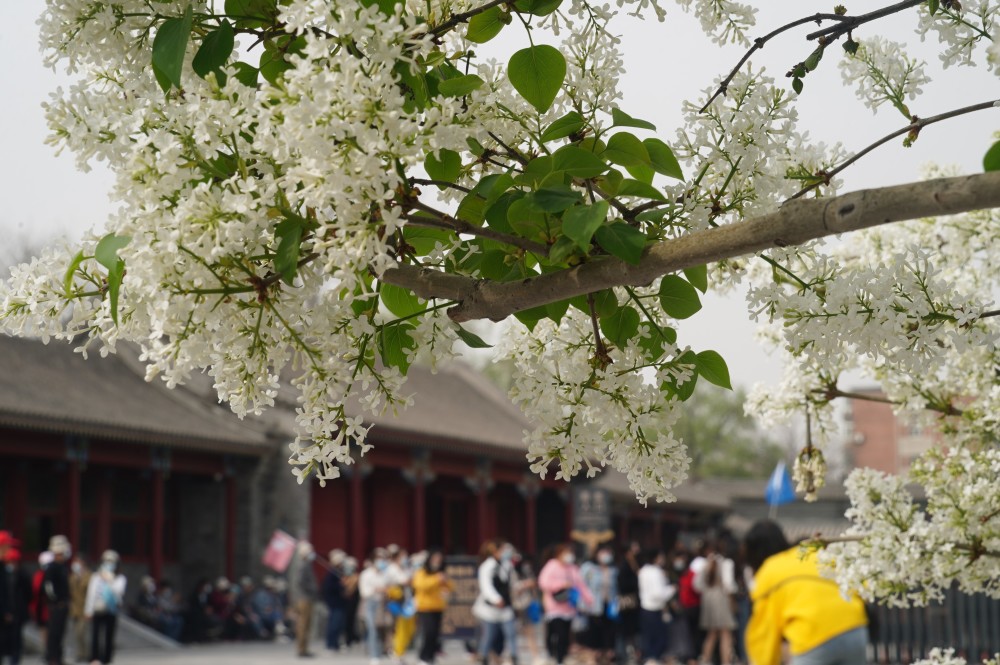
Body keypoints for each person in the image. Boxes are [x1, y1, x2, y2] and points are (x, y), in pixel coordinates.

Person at [743, 520, 868, 665]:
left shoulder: (769, 571)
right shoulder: (812, 554)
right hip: (854, 628)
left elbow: (763, 634)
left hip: (813, 638)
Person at [538, 543, 593, 665]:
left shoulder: (573, 568)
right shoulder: (552, 565)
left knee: (565, 635)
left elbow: (581, 585)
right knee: (556, 633)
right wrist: (561, 585)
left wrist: (589, 599)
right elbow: (543, 582)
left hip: (569, 607)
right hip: (554, 607)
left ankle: (561, 658)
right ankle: (553, 654)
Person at [473, 540, 522, 665]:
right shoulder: (487, 566)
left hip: (506, 606)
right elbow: (486, 586)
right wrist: (496, 599)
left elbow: (512, 582)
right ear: (495, 551)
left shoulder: (507, 564)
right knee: (490, 635)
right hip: (490, 607)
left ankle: (514, 656)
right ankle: (483, 657)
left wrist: (519, 588)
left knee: (511, 633)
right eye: (503, 550)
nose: (506, 552)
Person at [693, 544, 736, 665]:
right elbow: (729, 585)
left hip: (708, 599)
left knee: (712, 633)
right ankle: (726, 662)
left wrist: (707, 591)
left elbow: (696, 585)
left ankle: (705, 660)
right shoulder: (726, 563)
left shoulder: (705, 563)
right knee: (725, 633)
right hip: (721, 598)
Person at [84, 549, 126, 665]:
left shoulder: (120, 578)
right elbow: (91, 594)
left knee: (109, 635)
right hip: (98, 608)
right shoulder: (96, 576)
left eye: (111, 561)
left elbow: (119, 591)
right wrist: (88, 610)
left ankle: (106, 658)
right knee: (96, 634)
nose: (109, 564)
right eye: (107, 561)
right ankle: (94, 657)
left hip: (111, 610)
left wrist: (110, 580)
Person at [412, 550, 453, 665]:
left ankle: (431, 656)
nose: (437, 561)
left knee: (435, 634)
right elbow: (420, 585)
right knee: (428, 633)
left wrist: (445, 582)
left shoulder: (442, 572)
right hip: (425, 607)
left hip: (438, 607)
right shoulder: (422, 572)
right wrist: (436, 579)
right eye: (435, 558)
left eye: (439, 559)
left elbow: (450, 587)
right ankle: (423, 656)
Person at [580, 546, 618, 665]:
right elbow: (581, 585)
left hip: (610, 605)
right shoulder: (589, 568)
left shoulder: (614, 570)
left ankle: (607, 655)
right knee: (593, 631)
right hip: (593, 605)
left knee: (609, 631)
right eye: (603, 552)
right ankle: (593, 656)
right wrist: (583, 603)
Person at [637, 550, 674, 665]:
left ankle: (650, 658)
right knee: (660, 637)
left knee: (649, 637)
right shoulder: (656, 572)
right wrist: (672, 589)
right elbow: (659, 594)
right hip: (656, 608)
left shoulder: (643, 570)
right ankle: (654, 658)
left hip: (645, 607)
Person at [43, 535, 72, 665]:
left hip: (64, 604)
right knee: (53, 633)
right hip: (56, 606)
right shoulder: (52, 567)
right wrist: (55, 601)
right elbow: (48, 587)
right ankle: (52, 658)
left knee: (60, 632)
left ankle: (59, 657)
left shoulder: (63, 567)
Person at [2, 539, 31, 665]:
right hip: (6, 612)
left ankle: (15, 660)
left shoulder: (23, 575)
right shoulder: (4, 574)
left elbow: (28, 593)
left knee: (16, 638)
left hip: (18, 611)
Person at [359, 550, 389, 665]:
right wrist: (376, 589)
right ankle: (374, 655)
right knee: (372, 629)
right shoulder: (366, 574)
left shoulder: (384, 574)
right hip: (370, 603)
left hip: (382, 603)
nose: (381, 562)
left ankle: (381, 651)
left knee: (381, 629)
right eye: (379, 559)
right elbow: (364, 592)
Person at [290, 541, 319, 658]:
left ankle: (304, 648)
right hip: (304, 598)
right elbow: (300, 581)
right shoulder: (303, 565)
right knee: (303, 624)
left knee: (306, 624)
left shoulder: (305, 564)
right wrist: (313, 588)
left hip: (305, 597)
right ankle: (301, 649)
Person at [615, 543, 641, 665]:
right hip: (628, 602)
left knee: (634, 630)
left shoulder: (636, 564)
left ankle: (634, 653)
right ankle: (623, 654)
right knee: (626, 630)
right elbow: (623, 584)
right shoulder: (624, 566)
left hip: (635, 602)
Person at [322, 550, 348, 651]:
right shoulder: (332, 573)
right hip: (335, 602)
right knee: (334, 624)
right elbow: (329, 587)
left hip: (340, 602)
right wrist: (341, 584)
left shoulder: (339, 573)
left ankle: (336, 643)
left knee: (339, 624)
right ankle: (331, 643)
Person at [69, 555, 92, 663]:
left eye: (78, 562)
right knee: (77, 633)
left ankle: (87, 653)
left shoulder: (89, 576)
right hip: (75, 609)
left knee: (82, 632)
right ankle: (80, 653)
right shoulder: (72, 576)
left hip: (85, 608)